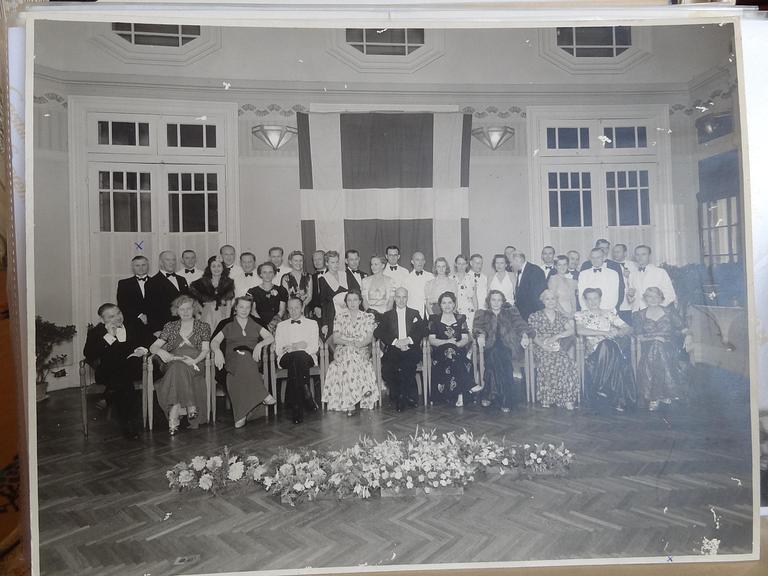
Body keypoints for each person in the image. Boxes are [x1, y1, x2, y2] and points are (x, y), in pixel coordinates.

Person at [83, 303, 151, 438]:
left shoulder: (134, 325)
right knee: (123, 379)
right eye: (111, 316)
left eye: (119, 313)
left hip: (133, 368)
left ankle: (110, 395)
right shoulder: (96, 332)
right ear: (103, 320)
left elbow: (148, 340)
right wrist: (109, 337)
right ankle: (128, 425)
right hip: (109, 373)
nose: (118, 318)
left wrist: (140, 350)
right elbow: (89, 354)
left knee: (124, 375)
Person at [149, 295, 211, 435]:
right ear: (176, 311)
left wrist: (194, 361)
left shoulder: (203, 326)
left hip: (195, 362)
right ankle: (190, 405)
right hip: (173, 360)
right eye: (181, 309)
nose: (185, 312)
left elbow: (205, 349)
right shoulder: (170, 326)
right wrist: (160, 351)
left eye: (189, 308)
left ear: (194, 309)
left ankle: (174, 414)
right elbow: (153, 347)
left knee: (178, 368)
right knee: (177, 366)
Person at [211, 296, 276, 428]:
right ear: (236, 308)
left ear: (250, 309)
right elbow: (215, 341)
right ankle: (263, 395)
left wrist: (259, 345)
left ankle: (240, 415)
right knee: (242, 356)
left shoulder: (255, 323)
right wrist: (217, 351)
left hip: (252, 360)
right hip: (232, 359)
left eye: (247, 307)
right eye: (241, 306)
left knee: (236, 373)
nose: (244, 310)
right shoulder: (228, 325)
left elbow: (270, 337)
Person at [575, 287, 636, 412]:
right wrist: (605, 332)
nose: (593, 302)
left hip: (611, 349)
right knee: (607, 345)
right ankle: (618, 399)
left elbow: (629, 328)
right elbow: (580, 330)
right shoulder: (581, 315)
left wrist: (618, 332)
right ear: (585, 301)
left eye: (595, 298)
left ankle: (602, 387)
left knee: (608, 345)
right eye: (589, 299)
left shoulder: (608, 313)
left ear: (600, 299)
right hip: (593, 353)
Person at [473, 289, 532, 412]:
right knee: (496, 356)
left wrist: (525, 335)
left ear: (503, 301)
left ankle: (488, 393)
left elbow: (521, 325)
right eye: (493, 299)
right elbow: (477, 328)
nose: (496, 302)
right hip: (488, 347)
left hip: (509, 346)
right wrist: (481, 335)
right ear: (489, 301)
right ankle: (506, 397)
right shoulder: (482, 314)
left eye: (499, 300)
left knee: (497, 356)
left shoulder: (511, 312)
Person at [632, 287, 690, 411]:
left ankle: (655, 396)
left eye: (656, 296)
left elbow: (683, 328)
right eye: (649, 296)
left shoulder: (669, 312)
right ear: (645, 298)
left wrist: (688, 336)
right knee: (656, 346)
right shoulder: (639, 315)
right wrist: (656, 337)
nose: (653, 299)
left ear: (661, 298)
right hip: (648, 345)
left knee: (658, 348)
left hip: (669, 345)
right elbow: (639, 337)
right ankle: (666, 393)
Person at [323, 290, 379, 415]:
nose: (352, 303)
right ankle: (363, 388)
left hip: (362, 348)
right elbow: (336, 338)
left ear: (360, 301)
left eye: (355, 300)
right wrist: (351, 343)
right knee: (349, 353)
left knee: (350, 356)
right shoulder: (339, 317)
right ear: (346, 302)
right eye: (349, 300)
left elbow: (369, 338)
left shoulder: (368, 317)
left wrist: (356, 345)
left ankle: (351, 404)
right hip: (344, 350)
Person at [374, 287, 427, 412]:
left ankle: (400, 398)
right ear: (394, 298)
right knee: (387, 369)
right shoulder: (387, 315)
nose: (401, 300)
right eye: (398, 297)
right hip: (394, 348)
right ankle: (403, 395)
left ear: (407, 298)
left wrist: (408, 340)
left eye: (404, 297)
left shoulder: (414, 313)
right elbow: (378, 332)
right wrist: (396, 342)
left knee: (407, 365)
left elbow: (423, 330)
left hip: (411, 347)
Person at [528, 290, 579, 410]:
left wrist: (557, 336)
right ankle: (547, 397)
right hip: (540, 346)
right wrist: (543, 345)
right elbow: (532, 334)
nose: (550, 301)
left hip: (556, 347)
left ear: (556, 301)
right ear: (543, 301)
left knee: (567, 362)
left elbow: (572, 330)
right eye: (547, 299)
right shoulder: (535, 316)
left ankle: (567, 399)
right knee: (549, 361)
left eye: (553, 299)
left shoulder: (561, 316)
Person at [274, 297, 321, 424]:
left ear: (302, 308)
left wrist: (294, 347)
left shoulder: (312, 324)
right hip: (285, 358)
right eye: (291, 308)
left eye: (297, 308)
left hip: (307, 357)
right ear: (287, 309)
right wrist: (300, 345)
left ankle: (297, 407)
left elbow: (314, 347)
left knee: (299, 357)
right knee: (297, 357)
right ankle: (306, 392)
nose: (294, 311)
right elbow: (279, 349)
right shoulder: (281, 326)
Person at [428, 291, 474, 407]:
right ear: (440, 305)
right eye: (444, 303)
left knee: (452, 352)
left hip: (458, 351)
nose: (447, 305)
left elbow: (465, 339)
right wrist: (447, 342)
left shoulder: (460, 318)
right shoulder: (434, 319)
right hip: (439, 352)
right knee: (449, 349)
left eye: (450, 302)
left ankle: (459, 394)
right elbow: (432, 340)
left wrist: (454, 345)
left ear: (454, 304)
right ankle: (465, 389)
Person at [146, 251, 189, 336]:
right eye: (168, 260)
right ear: (161, 262)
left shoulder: (182, 279)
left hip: (185, 326)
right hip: (164, 328)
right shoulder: (152, 282)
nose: (171, 262)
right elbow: (151, 309)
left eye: (173, 260)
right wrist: (156, 330)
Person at [190, 255, 235, 332]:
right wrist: (198, 314)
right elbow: (194, 301)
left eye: (219, 266)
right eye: (213, 266)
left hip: (222, 315)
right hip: (206, 315)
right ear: (209, 268)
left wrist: (227, 321)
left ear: (223, 268)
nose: (216, 269)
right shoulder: (200, 283)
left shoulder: (228, 282)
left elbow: (229, 304)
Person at [627, 245, 677, 312]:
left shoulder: (660, 272)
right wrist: (631, 296)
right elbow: (631, 299)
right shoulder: (632, 274)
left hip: (656, 313)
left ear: (649, 256)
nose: (640, 257)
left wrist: (658, 308)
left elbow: (670, 295)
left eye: (643, 254)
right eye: (637, 254)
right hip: (637, 314)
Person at [580, 239, 625, 308]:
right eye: (593, 258)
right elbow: (581, 294)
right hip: (589, 310)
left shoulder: (613, 273)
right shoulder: (583, 273)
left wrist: (612, 310)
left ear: (603, 258)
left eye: (598, 257)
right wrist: (585, 310)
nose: (595, 260)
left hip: (608, 309)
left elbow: (616, 293)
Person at [248, 262, 288, 333]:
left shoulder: (281, 290)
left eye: (270, 272)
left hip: (277, 325)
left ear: (274, 274)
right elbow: (253, 311)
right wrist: (263, 326)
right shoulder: (252, 291)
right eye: (264, 272)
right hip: (258, 325)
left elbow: (282, 310)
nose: (267, 275)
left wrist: (272, 324)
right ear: (260, 274)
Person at [317, 250, 348, 339]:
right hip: (332, 315)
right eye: (332, 262)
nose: (335, 265)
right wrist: (324, 323)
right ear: (327, 263)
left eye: (337, 262)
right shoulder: (323, 279)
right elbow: (324, 303)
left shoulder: (344, 275)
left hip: (347, 313)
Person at [116, 255, 150, 331]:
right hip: (132, 323)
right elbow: (122, 304)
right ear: (132, 267)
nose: (141, 268)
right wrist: (140, 315)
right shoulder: (123, 284)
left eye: (143, 265)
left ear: (148, 266)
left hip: (153, 323)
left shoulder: (156, 282)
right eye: (137, 265)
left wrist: (149, 316)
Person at [511, 252, 547, 321]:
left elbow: (537, 296)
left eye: (512, 262)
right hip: (524, 314)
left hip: (533, 314)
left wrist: (537, 316)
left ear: (518, 260)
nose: (511, 264)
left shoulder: (535, 270)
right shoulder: (520, 272)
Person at [452, 254, 480, 328]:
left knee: (470, 333)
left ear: (467, 265)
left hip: (469, 311)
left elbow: (474, 297)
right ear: (455, 264)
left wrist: (476, 313)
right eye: (459, 264)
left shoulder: (471, 279)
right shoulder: (451, 279)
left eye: (463, 264)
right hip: (455, 310)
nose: (461, 266)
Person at [281, 250, 312, 315]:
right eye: (295, 261)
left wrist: (302, 307)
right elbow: (287, 297)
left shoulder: (308, 276)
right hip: (291, 310)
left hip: (305, 309)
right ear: (290, 262)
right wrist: (295, 309)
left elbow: (309, 296)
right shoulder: (285, 277)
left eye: (300, 261)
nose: (298, 263)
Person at [612, 243, 637, 323]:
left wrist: (628, 276)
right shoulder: (609, 265)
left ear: (625, 253)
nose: (615, 254)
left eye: (618, 252)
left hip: (629, 304)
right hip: (614, 303)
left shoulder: (634, 265)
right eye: (614, 252)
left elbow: (636, 282)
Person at [404, 251, 433, 317]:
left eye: (422, 260)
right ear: (412, 262)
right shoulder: (406, 279)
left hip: (429, 313)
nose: (420, 262)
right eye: (417, 260)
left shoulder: (431, 276)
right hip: (414, 315)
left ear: (424, 262)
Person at [309, 249, 326, 320]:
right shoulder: (310, 277)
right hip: (316, 313)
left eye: (319, 259)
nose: (317, 262)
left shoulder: (333, 274)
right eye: (314, 260)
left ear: (325, 260)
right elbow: (309, 296)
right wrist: (314, 308)